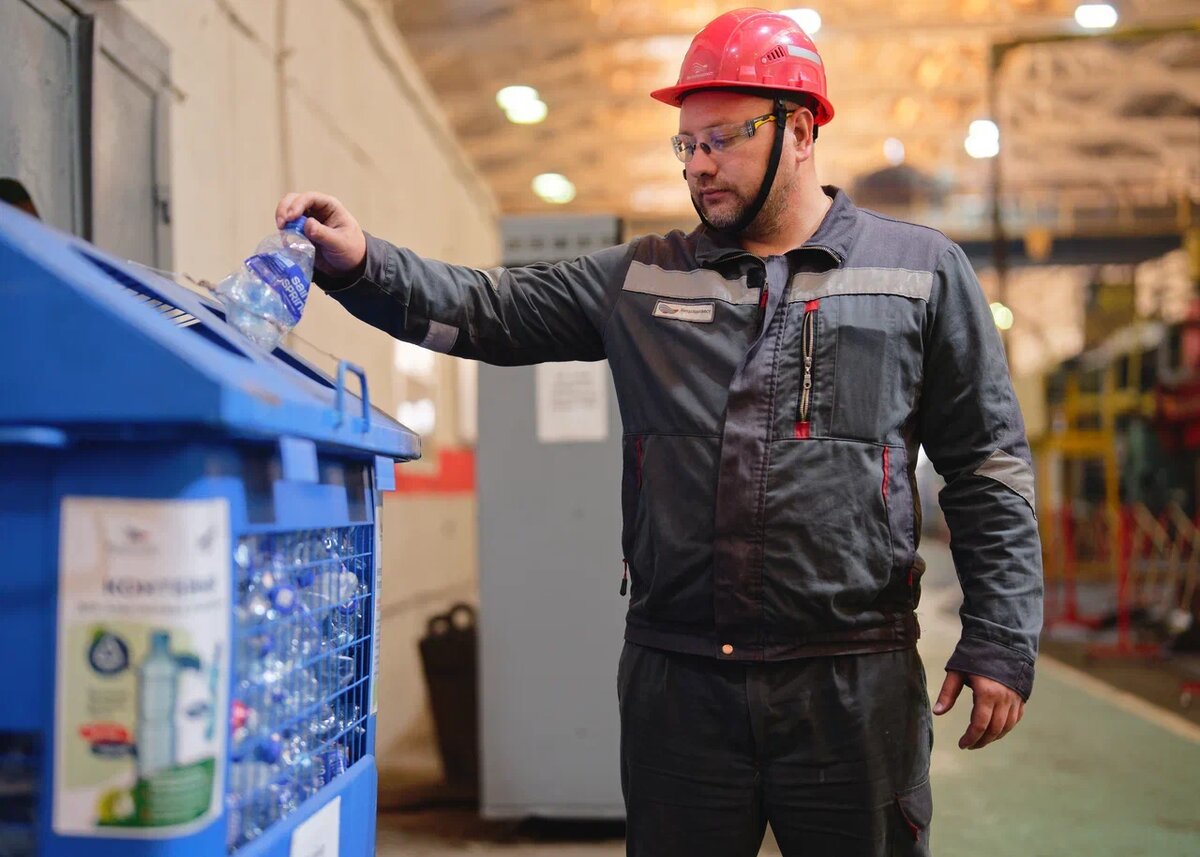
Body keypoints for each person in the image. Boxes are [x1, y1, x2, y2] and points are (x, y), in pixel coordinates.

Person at [276, 8, 1042, 855]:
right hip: (682, 683)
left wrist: (1001, 633)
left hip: (851, 680)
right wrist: (363, 264)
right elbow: (488, 311)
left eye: (722, 139)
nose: (698, 164)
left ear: (799, 128)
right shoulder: (643, 278)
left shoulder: (919, 272)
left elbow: (986, 464)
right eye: (687, 144)